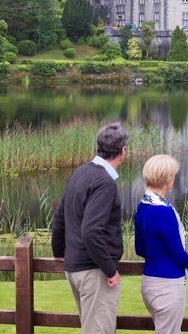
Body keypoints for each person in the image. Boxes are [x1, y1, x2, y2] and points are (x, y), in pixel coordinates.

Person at [51, 122, 130, 334]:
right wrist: (110, 269)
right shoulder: (104, 182)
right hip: (94, 271)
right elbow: (91, 231)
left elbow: (59, 217)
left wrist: (59, 252)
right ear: (123, 151)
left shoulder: (80, 172)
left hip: (75, 267)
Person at [134, 155, 188, 334]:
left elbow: (139, 249)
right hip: (167, 286)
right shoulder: (164, 212)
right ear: (168, 180)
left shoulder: (143, 207)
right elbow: (178, 254)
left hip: (149, 284)